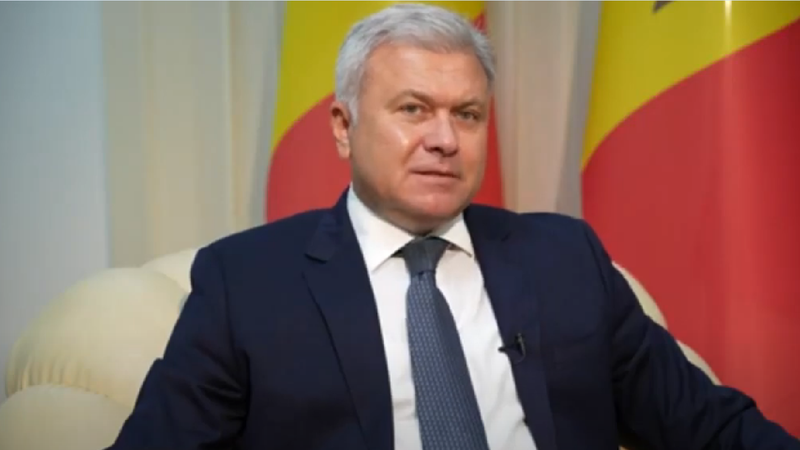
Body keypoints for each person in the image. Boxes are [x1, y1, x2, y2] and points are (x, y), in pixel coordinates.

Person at [107, 3, 799, 450]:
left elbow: (706, 425)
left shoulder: (564, 257)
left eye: (467, 115)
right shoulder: (247, 283)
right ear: (343, 128)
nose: (445, 139)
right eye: (413, 109)